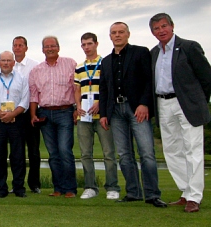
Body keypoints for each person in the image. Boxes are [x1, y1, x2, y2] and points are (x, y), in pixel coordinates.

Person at [99, 22, 167, 208]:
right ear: (110, 36)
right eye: (114, 33)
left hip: (137, 108)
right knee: (124, 154)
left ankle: (152, 194)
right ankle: (133, 192)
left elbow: (149, 80)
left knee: (146, 153)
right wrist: (104, 114)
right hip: (115, 111)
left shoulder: (140, 52)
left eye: (121, 32)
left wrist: (144, 103)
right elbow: (104, 89)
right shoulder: (106, 61)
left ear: (128, 34)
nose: (118, 35)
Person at [149, 13, 211, 212]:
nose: (161, 30)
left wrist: (198, 100)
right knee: (172, 151)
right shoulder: (153, 53)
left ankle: (195, 197)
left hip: (187, 104)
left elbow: (206, 78)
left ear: (172, 26)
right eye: (156, 28)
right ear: (152, 32)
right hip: (163, 104)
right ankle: (186, 191)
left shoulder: (189, 47)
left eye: (164, 26)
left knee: (192, 149)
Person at [29, 36, 78, 198]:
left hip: (65, 111)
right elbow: (34, 95)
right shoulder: (37, 70)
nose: (49, 48)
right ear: (42, 50)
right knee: (53, 153)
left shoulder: (70, 64)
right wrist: (33, 114)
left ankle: (70, 188)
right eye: (46, 46)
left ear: (58, 47)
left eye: (52, 46)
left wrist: (77, 109)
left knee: (65, 150)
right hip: (45, 114)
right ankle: (58, 188)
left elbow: (77, 88)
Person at [73, 33, 120, 200]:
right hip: (84, 116)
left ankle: (112, 187)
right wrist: (78, 107)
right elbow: (77, 89)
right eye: (83, 44)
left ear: (96, 44)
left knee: (108, 153)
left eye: (89, 44)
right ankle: (90, 187)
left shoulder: (105, 63)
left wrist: (100, 102)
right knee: (85, 154)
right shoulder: (79, 67)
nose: (86, 47)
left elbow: (109, 86)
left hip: (102, 115)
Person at [0, 51, 29, 198]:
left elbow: (25, 101)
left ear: (13, 63)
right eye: (3, 60)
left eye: (8, 60)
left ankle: (19, 188)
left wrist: (12, 114)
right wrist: (1, 114)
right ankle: (1, 190)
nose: (5, 63)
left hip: (17, 119)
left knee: (18, 155)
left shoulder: (22, 79)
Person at [12, 36, 42, 194]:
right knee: (17, 151)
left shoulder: (34, 66)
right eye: (15, 45)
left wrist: (33, 113)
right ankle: (18, 184)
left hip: (30, 112)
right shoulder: (9, 65)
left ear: (26, 48)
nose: (17, 48)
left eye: (20, 45)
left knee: (33, 150)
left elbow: (37, 90)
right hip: (13, 114)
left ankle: (34, 183)